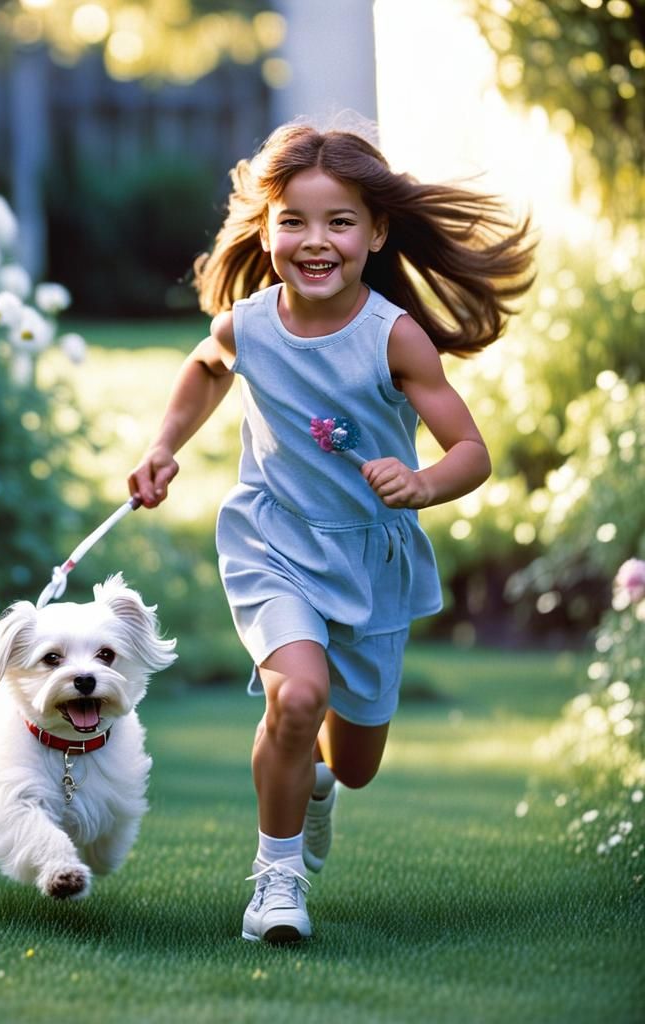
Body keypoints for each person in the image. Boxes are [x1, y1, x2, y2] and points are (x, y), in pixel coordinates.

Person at [126, 120, 536, 944]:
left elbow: (472, 452)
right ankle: (275, 886)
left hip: (369, 558)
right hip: (273, 541)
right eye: (295, 221)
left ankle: (315, 780)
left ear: (376, 232)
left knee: (353, 763)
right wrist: (164, 446)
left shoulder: (395, 337)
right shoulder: (250, 323)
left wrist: (420, 484)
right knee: (296, 696)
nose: (316, 242)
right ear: (269, 228)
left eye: (339, 221)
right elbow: (206, 366)